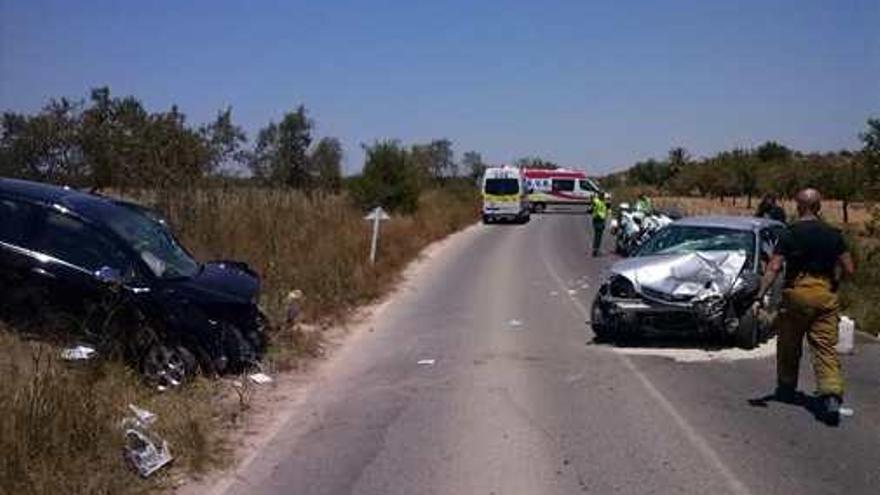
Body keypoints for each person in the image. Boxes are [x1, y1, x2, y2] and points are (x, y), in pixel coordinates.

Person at [757, 188, 854, 425]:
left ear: (798, 207)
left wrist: (760, 294)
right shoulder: (833, 234)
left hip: (796, 296)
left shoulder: (789, 234)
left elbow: (774, 267)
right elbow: (849, 268)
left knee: (789, 344)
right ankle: (831, 395)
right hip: (824, 296)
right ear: (819, 207)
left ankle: (787, 387)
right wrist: (834, 284)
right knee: (824, 348)